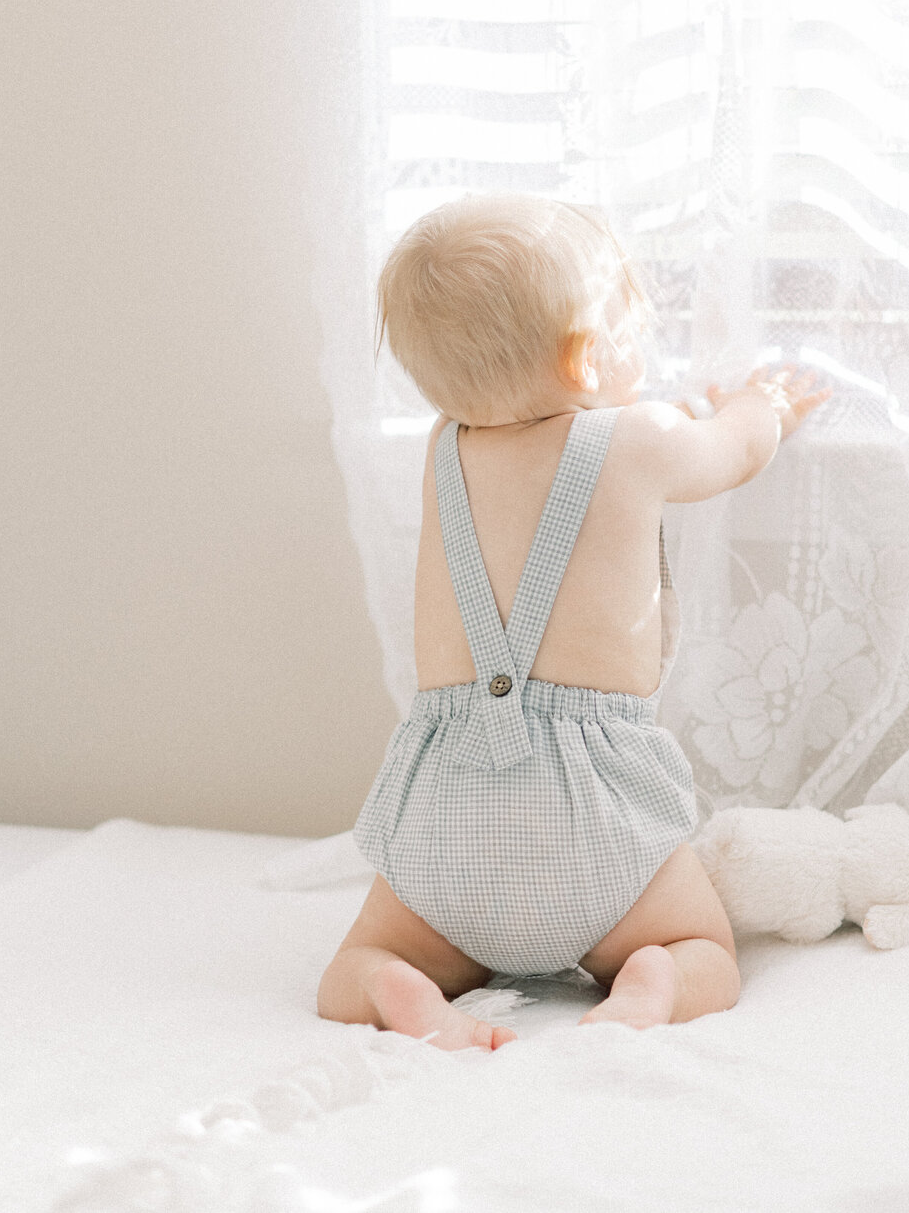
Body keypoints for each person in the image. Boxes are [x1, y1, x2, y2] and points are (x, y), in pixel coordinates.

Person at [317, 195, 829, 1048]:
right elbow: (733, 450)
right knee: (704, 945)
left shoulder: (444, 450)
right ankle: (651, 981)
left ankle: (399, 990)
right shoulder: (647, 438)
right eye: (634, 320)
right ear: (588, 359)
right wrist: (761, 405)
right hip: (594, 816)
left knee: (351, 967)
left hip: (449, 815)